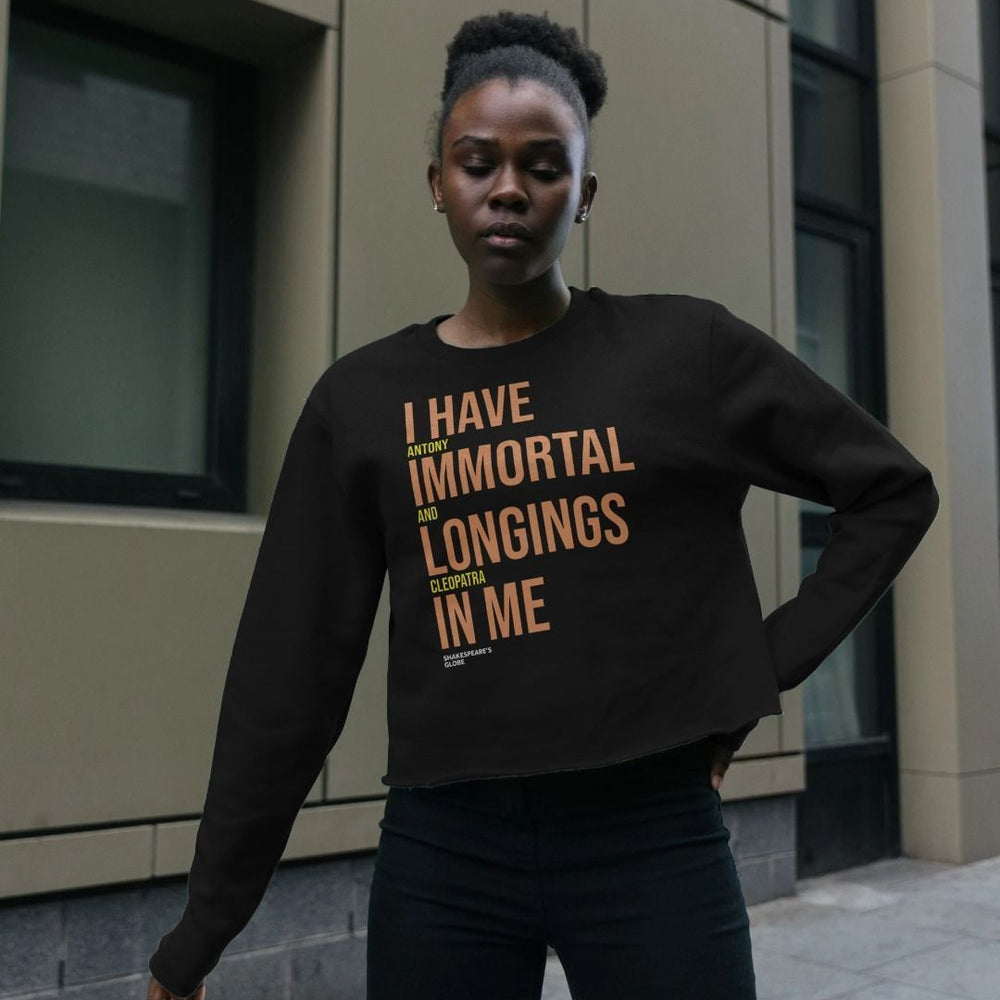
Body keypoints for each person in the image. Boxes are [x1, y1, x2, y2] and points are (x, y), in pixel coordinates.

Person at [146, 10, 940, 1000]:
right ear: (437, 182)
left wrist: (749, 680)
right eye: (477, 162)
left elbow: (892, 491)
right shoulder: (362, 402)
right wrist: (203, 930)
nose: (509, 189)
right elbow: (287, 676)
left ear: (585, 193)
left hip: (653, 840)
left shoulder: (684, 353)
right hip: (445, 854)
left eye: (543, 165)